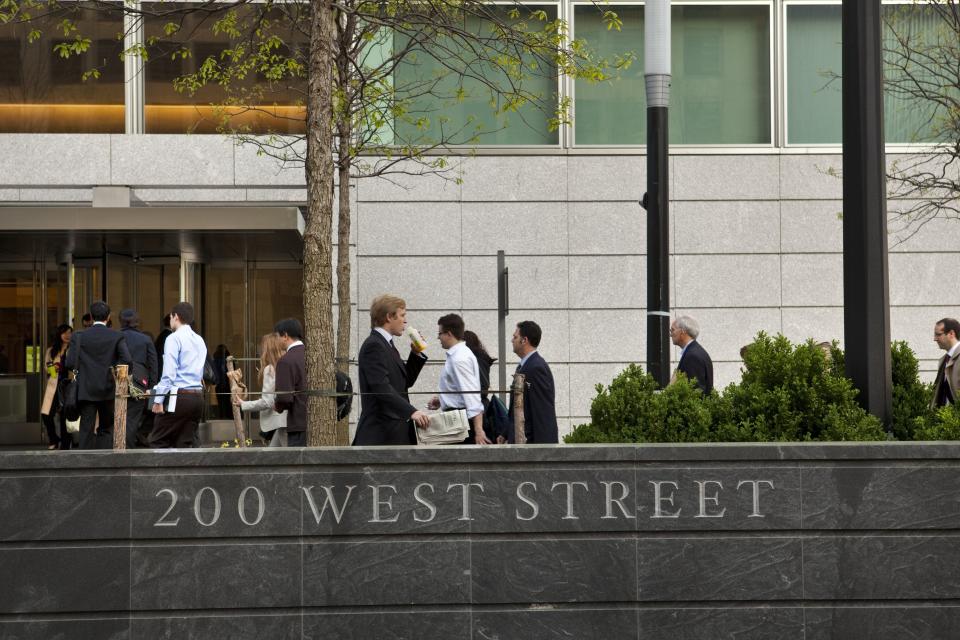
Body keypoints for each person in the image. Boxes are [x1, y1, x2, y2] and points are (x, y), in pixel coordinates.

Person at [353, 294, 429, 446]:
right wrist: (411, 411)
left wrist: (415, 354)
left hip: (393, 432)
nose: (405, 321)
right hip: (381, 434)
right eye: (402, 315)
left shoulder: (386, 345)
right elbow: (381, 388)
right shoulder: (374, 346)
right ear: (389, 317)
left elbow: (404, 382)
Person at [64, 301, 132, 449]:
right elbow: (126, 360)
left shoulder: (79, 336)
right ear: (108, 317)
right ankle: (105, 462)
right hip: (108, 387)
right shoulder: (117, 336)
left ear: (91, 316)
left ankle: (84, 464)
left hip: (86, 388)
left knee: (86, 429)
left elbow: (69, 363)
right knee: (106, 427)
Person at [149, 302, 207, 448]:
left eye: (171, 316)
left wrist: (158, 400)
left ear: (175, 317)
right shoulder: (199, 340)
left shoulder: (173, 338)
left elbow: (169, 374)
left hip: (179, 396)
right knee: (185, 443)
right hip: (197, 397)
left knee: (157, 441)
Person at [427, 315, 487, 444]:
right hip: (459, 420)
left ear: (449, 334)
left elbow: (472, 396)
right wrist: (442, 399)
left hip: (461, 424)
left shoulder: (459, 359)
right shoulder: (459, 354)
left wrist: (479, 431)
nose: (438, 337)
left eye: (440, 333)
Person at [508, 320, 558, 444]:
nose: (511, 340)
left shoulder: (536, 368)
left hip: (529, 445)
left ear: (524, 340)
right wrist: (506, 433)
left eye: (515, 337)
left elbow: (543, 413)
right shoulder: (524, 366)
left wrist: (542, 452)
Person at [234, 333, 288, 446]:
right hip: (286, 421)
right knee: (273, 456)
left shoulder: (270, 369)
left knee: (285, 458)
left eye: (262, 348)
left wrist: (244, 404)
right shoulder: (285, 366)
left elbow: (267, 402)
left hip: (281, 422)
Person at [119, 309, 159, 448]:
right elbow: (153, 365)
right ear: (137, 322)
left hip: (117, 381)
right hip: (140, 383)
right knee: (132, 418)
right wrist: (152, 388)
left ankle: (119, 446)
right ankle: (129, 449)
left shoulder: (116, 336)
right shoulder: (145, 339)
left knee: (117, 418)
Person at [273, 318, 307, 446]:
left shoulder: (286, 361)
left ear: (285, 336)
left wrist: (277, 406)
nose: (276, 341)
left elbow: (284, 397)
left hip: (298, 423)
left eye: (277, 336)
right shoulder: (311, 354)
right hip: (317, 421)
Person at [41, 324, 72, 450]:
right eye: (65, 333)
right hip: (53, 387)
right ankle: (54, 439)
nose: (67, 335)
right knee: (46, 414)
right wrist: (54, 368)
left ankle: (65, 443)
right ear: (59, 334)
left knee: (65, 416)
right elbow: (48, 369)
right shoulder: (51, 350)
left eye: (70, 333)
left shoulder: (73, 349)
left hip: (68, 387)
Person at [669, 315, 714, 395]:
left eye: (672, 330)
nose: (670, 334)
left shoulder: (693, 356)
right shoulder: (694, 351)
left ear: (682, 332)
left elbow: (696, 392)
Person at [931, 318, 960, 408]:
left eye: (938, 334)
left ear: (951, 333)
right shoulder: (944, 360)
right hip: (945, 418)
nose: (935, 339)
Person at [213, 344, 232, 418]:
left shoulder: (216, 360)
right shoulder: (228, 360)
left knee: (221, 402)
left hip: (220, 385)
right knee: (226, 402)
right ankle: (226, 416)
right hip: (226, 384)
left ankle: (222, 416)